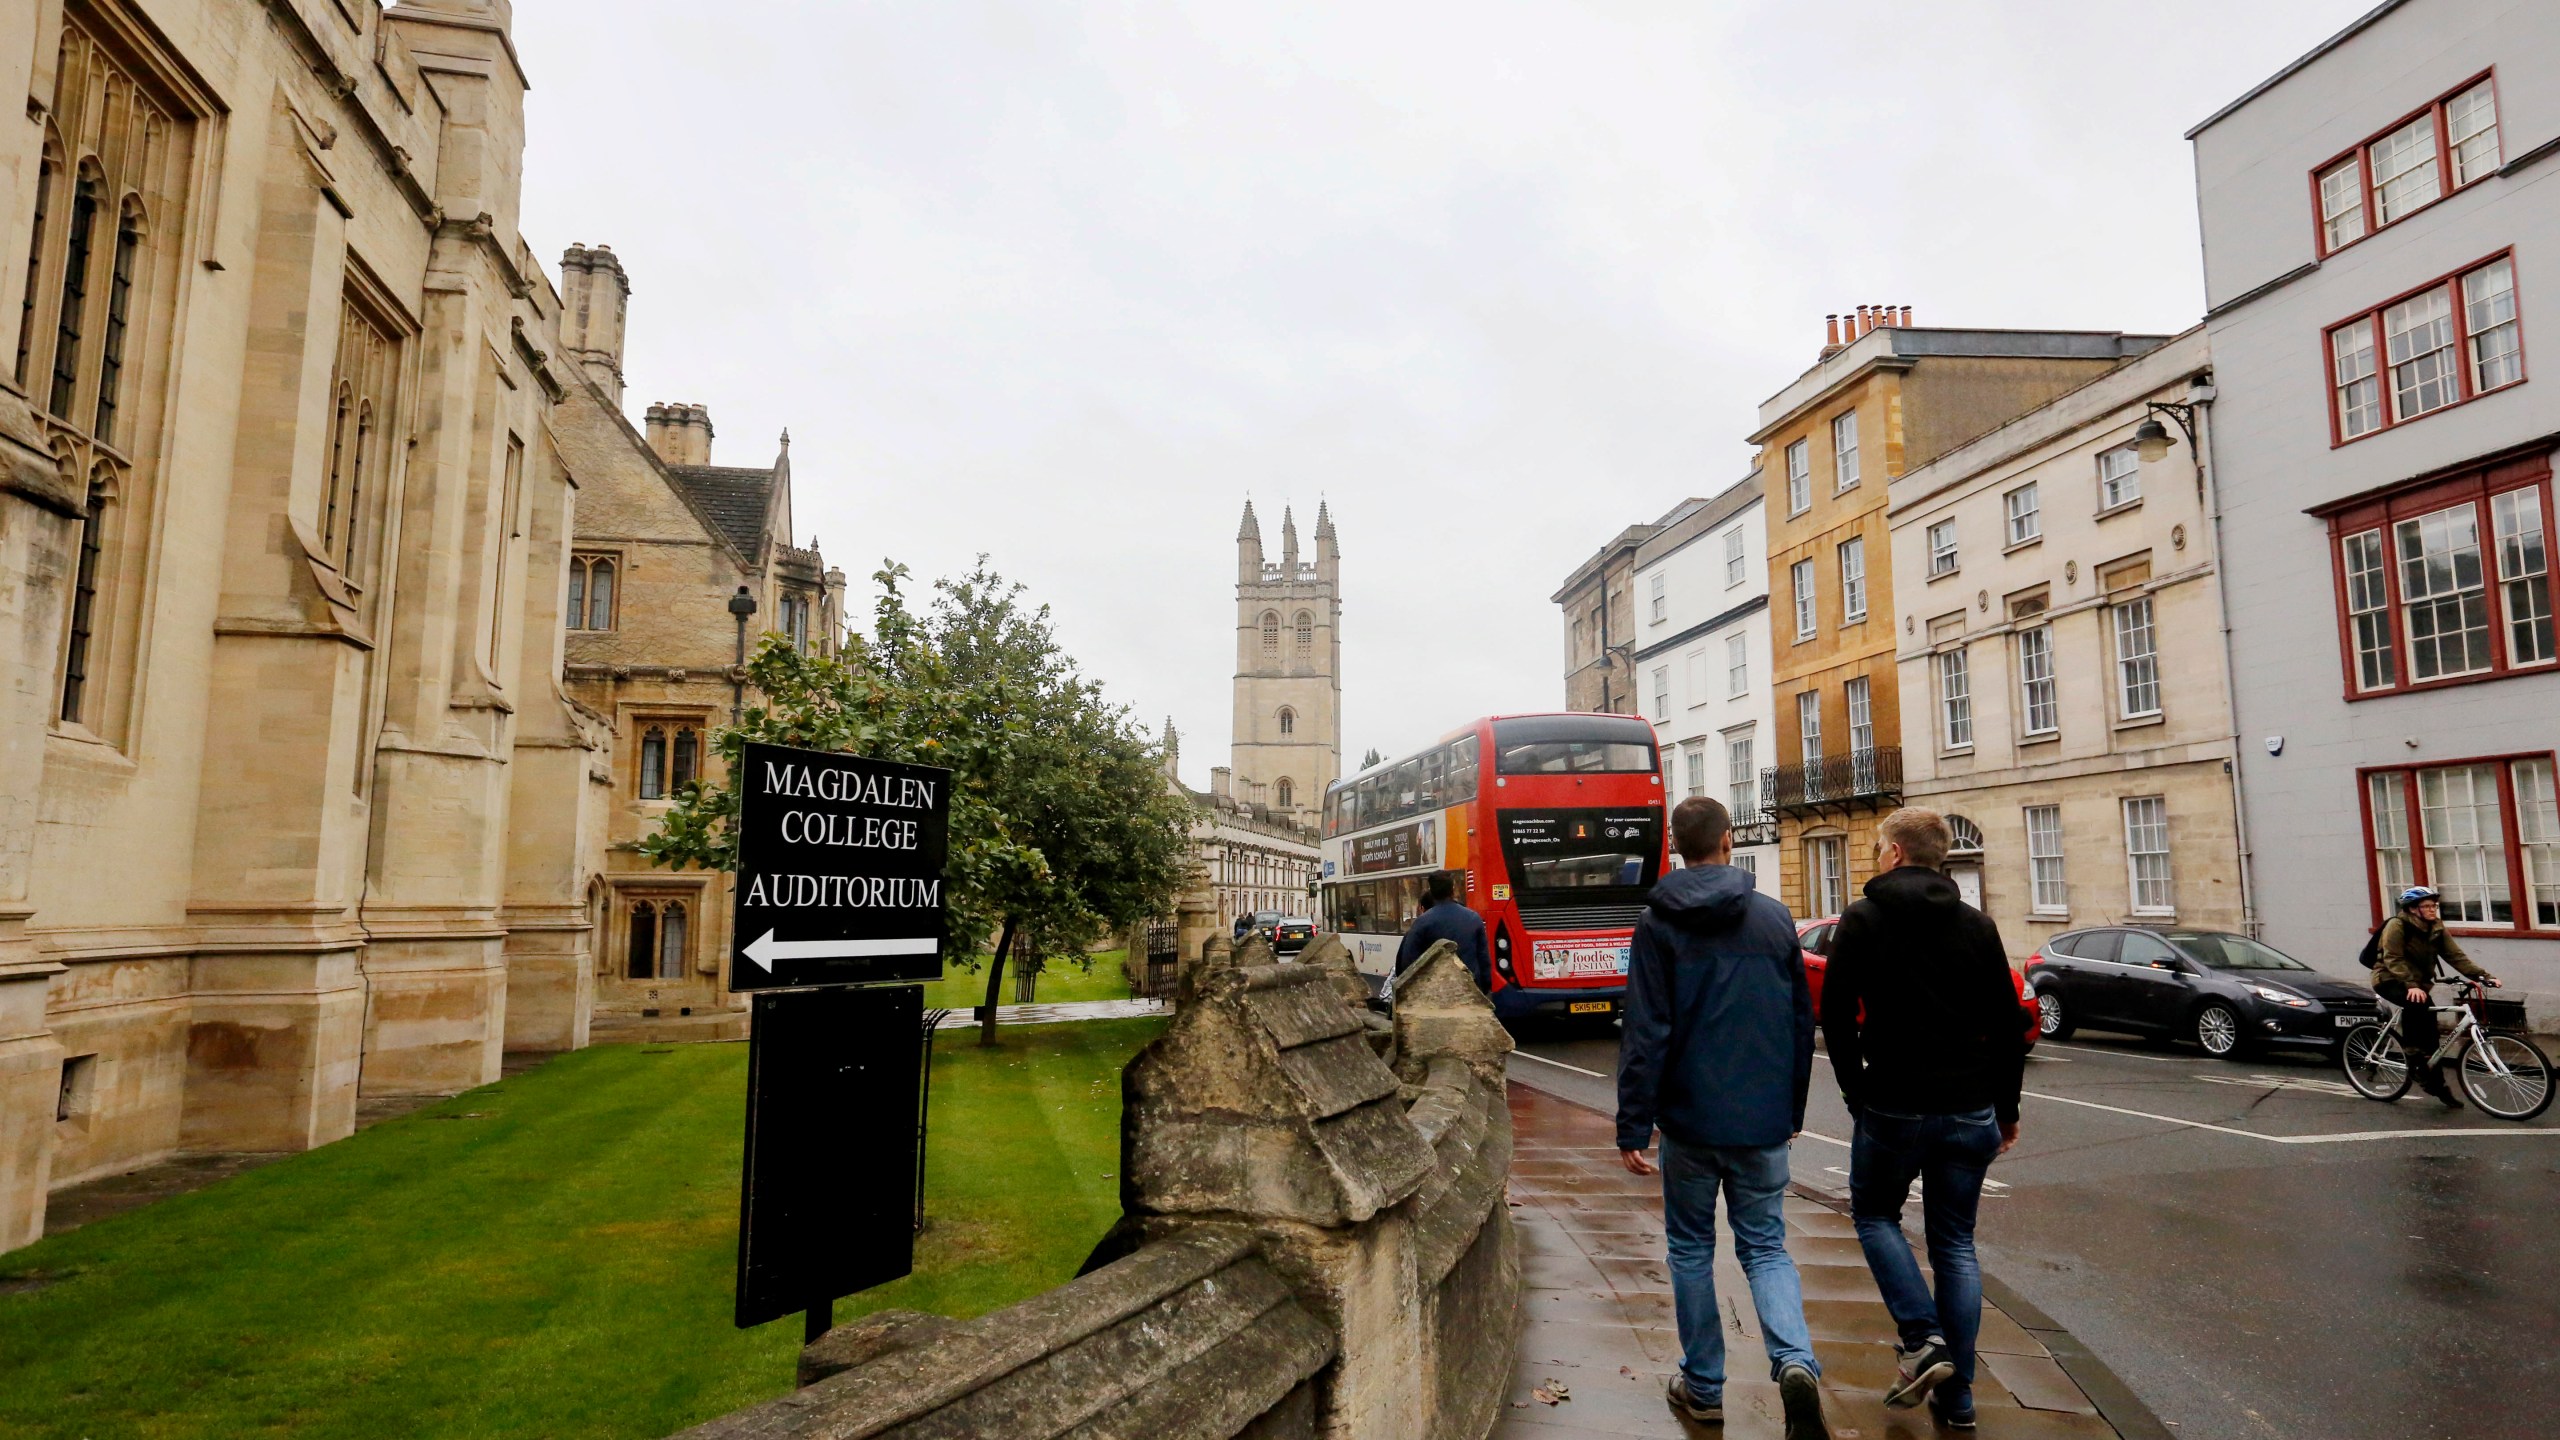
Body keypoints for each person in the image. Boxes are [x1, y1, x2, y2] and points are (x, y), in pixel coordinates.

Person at [1617, 796, 1829, 1440]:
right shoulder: (1773, 919)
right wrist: (1792, 1108)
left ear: (1676, 846)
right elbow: (1800, 1024)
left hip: (1689, 1122)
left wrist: (1634, 1122)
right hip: (1762, 1119)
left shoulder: (1657, 924)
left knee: (1689, 1247)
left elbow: (1647, 1031)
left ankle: (1704, 1386)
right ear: (1729, 841)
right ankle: (1794, 1361)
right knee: (1766, 1246)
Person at [1820, 807, 2024, 1432]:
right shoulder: (1977, 925)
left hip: (1894, 1104)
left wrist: (1859, 1096)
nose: (1877, 856)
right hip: (1969, 1107)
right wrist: (2006, 1109)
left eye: (1880, 847)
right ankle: (1957, 1399)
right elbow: (2007, 1025)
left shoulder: (1863, 919)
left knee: (1876, 1214)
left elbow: (1834, 1016)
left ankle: (1921, 1336)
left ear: (1897, 854)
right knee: (1956, 1245)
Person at [2372, 885, 2501, 1109]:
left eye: (2434, 906)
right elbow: (2393, 958)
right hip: (2389, 979)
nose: (2433, 910)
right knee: (2416, 1004)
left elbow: (2455, 956)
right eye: (2427, 906)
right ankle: (2412, 1056)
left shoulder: (2436, 928)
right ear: (2413, 909)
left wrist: (2483, 976)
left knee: (2432, 1037)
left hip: (2419, 985)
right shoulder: (2397, 925)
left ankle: (2437, 1087)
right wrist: (2411, 984)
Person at [1395, 871, 1489, 986]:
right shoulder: (1474, 919)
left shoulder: (1421, 923)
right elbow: (1484, 960)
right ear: (1452, 890)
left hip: (1434, 993)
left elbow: (1407, 964)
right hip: (1470, 990)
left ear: (1431, 891)